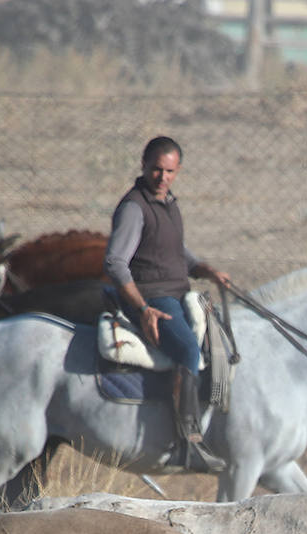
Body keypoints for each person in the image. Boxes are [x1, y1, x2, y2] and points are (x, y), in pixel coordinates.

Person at [104, 135, 230, 473]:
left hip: (176, 292)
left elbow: (177, 254)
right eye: (156, 170)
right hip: (151, 297)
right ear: (143, 165)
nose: (163, 177)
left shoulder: (169, 204)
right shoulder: (134, 207)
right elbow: (116, 262)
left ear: (178, 171)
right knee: (189, 351)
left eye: (170, 171)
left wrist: (206, 269)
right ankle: (188, 443)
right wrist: (143, 308)